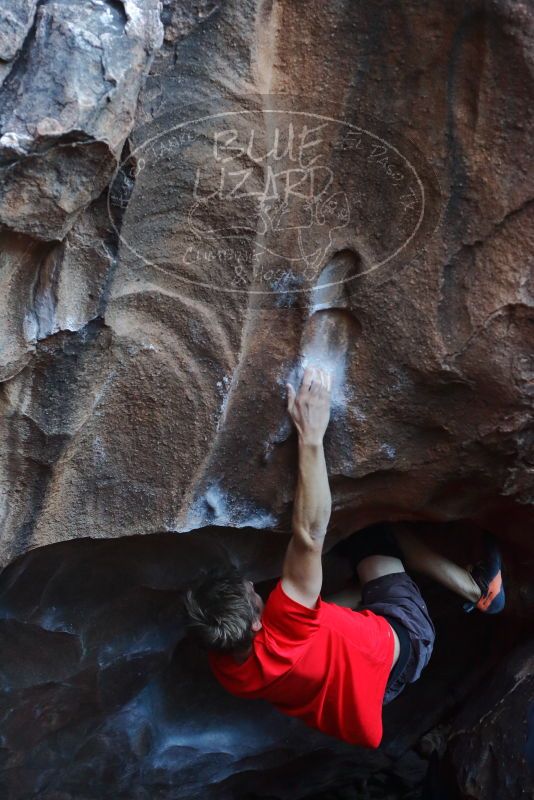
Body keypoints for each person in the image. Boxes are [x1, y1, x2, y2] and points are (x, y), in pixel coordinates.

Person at [183, 367, 505, 748]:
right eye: (251, 594)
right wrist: (311, 436)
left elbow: (301, 629)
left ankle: (367, 587)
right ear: (258, 624)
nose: (253, 585)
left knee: (334, 592)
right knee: (372, 533)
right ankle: (477, 589)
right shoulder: (286, 620)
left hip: (376, 692)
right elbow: (310, 532)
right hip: (407, 637)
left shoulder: (228, 670)